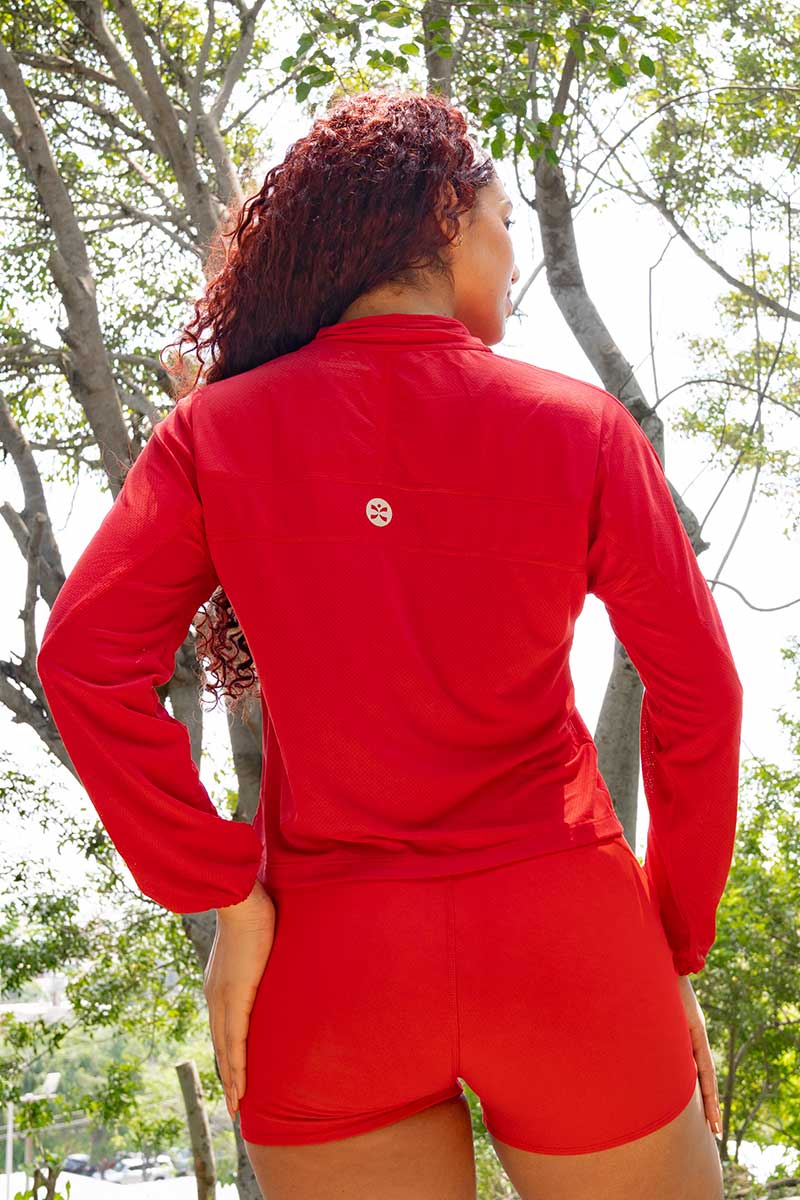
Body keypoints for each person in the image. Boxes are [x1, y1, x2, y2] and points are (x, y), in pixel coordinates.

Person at [36, 88, 743, 1199]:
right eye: (503, 221)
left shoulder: (214, 433)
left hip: (332, 969)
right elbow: (697, 693)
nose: (514, 255)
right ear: (446, 217)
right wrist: (669, 943)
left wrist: (227, 891)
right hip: (568, 947)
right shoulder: (582, 428)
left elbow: (83, 664)